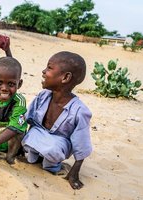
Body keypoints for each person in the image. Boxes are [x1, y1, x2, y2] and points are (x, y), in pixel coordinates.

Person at [21, 51, 92, 190]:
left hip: (58, 143)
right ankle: (36, 156)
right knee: (29, 139)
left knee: (53, 150)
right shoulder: (43, 96)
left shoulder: (79, 110)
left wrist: (74, 172)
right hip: (39, 133)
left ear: (65, 77)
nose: (43, 71)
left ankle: (52, 165)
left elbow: (81, 143)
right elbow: (28, 118)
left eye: (49, 68)